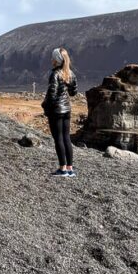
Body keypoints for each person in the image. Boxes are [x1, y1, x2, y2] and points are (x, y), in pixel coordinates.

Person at [42, 47, 77, 178]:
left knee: (59, 139)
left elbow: (52, 94)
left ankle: (62, 169)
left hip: (56, 111)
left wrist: (45, 106)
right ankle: (70, 169)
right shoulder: (71, 73)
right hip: (67, 109)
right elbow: (74, 92)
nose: (51, 60)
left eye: (53, 58)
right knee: (66, 138)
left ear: (56, 60)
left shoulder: (55, 74)